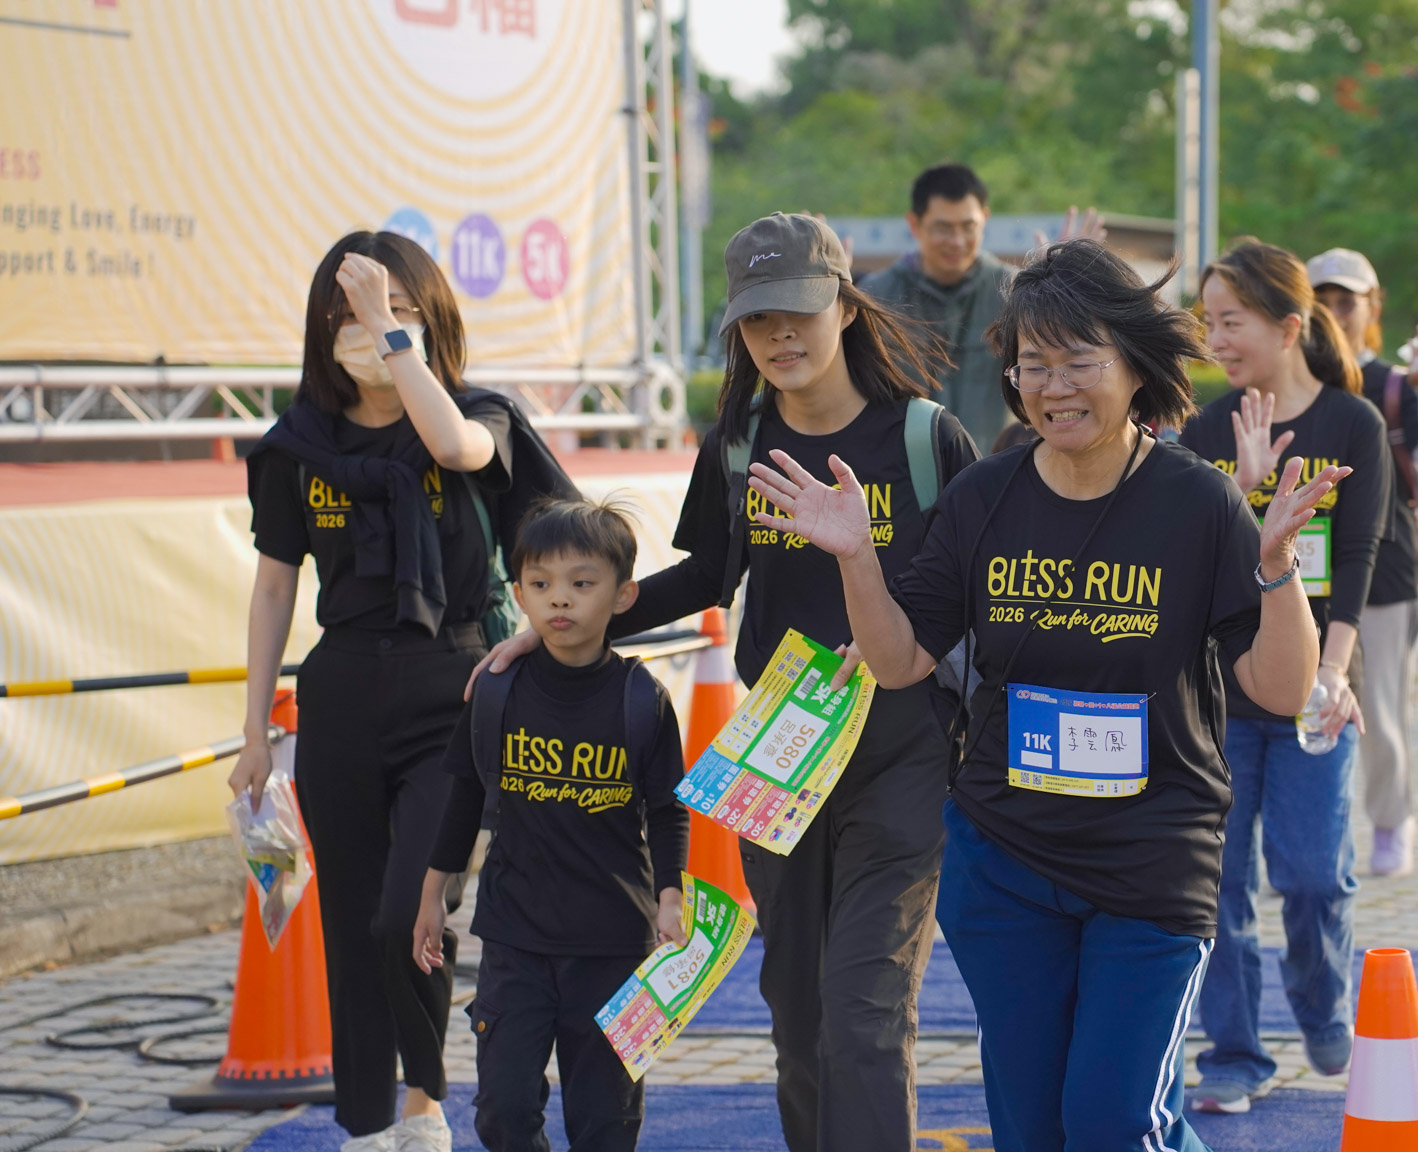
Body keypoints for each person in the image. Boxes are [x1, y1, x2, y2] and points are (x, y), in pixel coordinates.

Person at [751, 239, 1347, 1151]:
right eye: (1034, 364)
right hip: (1006, 862)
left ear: (1135, 367)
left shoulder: (1198, 504)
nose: (1054, 387)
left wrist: (1279, 573)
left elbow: (1279, 687)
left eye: (1079, 362)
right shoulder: (983, 497)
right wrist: (858, 557)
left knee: (1113, 1122)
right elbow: (900, 661)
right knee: (1032, 1129)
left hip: (1149, 865)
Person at [473, 212, 976, 1152]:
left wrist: (898, 633)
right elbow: (707, 575)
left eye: (798, 313)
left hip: (899, 750)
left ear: (845, 308)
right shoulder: (740, 441)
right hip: (777, 756)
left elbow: (973, 583)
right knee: (797, 1009)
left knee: (865, 1012)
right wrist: (563, 624)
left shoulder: (923, 437)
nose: (779, 336)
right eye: (757, 320)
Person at [236, 231, 573, 1152]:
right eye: (345, 315)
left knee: (409, 909)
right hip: (341, 689)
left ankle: (424, 1102)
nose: (365, 330)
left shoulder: (477, 416)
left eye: (391, 312)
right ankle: (366, 1123)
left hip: (452, 686)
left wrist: (392, 338)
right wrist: (255, 732)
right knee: (350, 921)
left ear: (428, 325)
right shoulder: (299, 445)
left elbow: (456, 447)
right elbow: (273, 589)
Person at [1176, 240, 1392, 1114]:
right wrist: (1243, 490)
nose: (1216, 339)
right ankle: (1234, 1052)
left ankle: (1322, 1001)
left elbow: (1359, 556)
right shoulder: (1204, 431)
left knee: (1310, 874)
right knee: (1219, 881)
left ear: (1290, 326)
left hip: (1315, 690)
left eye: (1232, 321)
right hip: (1222, 694)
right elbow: (1193, 566)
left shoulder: (1353, 424)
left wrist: (1331, 674)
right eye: (1209, 322)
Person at [414, 497, 688, 1152]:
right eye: (540, 585)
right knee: (502, 1111)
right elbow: (463, 796)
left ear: (623, 596)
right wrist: (431, 895)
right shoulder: (497, 690)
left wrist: (671, 896)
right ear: (519, 594)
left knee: (606, 1123)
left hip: (614, 944)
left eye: (581, 583)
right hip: (516, 939)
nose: (559, 599)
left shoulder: (643, 699)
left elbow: (666, 808)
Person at [1306, 247, 1418, 877]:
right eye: (1321, 301)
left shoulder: (1394, 385)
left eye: (1347, 301)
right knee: (1307, 706)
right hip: (1307, 570)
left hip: (1385, 569)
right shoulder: (1292, 381)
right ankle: (1314, 837)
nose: (1334, 313)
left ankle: (1392, 823)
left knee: (1383, 709)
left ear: (1373, 308)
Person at [861, 163, 1105, 453]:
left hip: (995, 463)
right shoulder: (876, 298)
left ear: (985, 219)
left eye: (968, 227)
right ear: (914, 224)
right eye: (943, 228)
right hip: (907, 464)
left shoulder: (1014, 292)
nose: (957, 241)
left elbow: (1071, 347)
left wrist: (1062, 283)